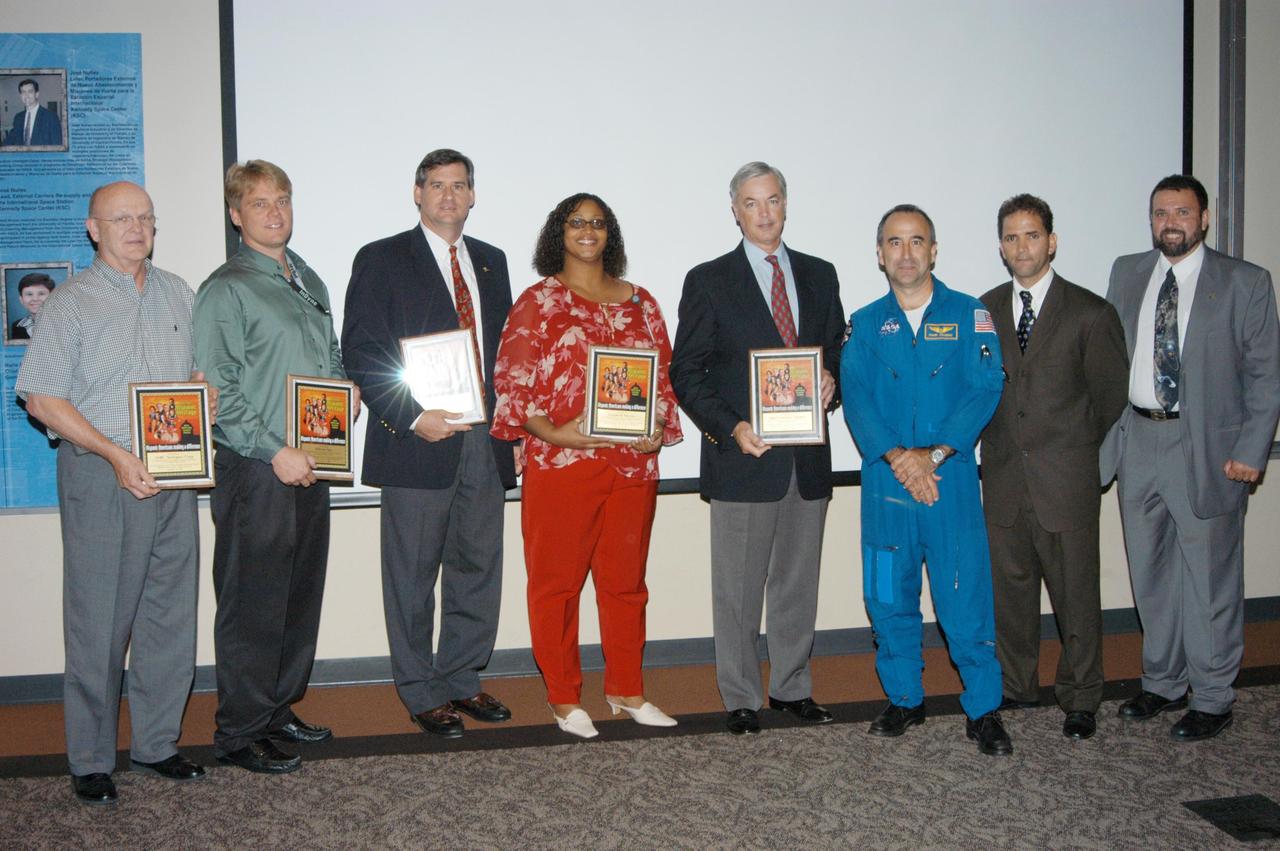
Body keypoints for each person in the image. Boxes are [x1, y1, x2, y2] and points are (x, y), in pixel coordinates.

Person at [15, 181, 210, 805]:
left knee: (169, 617)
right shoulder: (69, 303)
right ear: (93, 229)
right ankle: (92, 759)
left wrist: (201, 394)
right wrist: (115, 454)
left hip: (173, 475)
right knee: (99, 621)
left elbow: (195, 376)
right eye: (121, 218)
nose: (136, 227)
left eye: (145, 217)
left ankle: (156, 744)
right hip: (102, 474)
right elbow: (41, 398)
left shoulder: (179, 292)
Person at [491, 193, 684, 738]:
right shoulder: (538, 302)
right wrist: (554, 432)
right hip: (562, 466)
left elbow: (663, 380)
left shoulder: (642, 302)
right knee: (556, 586)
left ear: (610, 234)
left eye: (598, 222)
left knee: (627, 585)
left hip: (631, 470)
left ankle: (627, 689)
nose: (588, 230)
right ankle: (564, 697)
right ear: (559, 231)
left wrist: (656, 429)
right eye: (577, 221)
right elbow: (511, 383)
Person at [341, 149, 515, 739]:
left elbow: (504, 356)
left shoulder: (491, 261)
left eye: (459, 185)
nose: (448, 195)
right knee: (412, 576)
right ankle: (419, 690)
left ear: (473, 196)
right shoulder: (382, 257)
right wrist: (413, 417)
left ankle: (462, 677)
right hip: (417, 440)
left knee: (477, 566)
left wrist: (513, 429)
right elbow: (362, 351)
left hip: (484, 439)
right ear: (417, 193)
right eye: (436, 185)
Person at [1100, 174, 1280, 741]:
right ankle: (1163, 682)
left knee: (1209, 579)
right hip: (1138, 440)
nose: (1170, 222)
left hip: (1208, 450)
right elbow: (1110, 360)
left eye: (1181, 212)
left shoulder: (1245, 282)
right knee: (1150, 573)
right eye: (1160, 213)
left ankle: (1213, 696)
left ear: (1204, 218)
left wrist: (1252, 450)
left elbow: (1266, 375)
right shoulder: (1127, 272)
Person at [194, 160, 358, 772]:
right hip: (257, 467)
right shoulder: (226, 288)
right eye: (260, 203)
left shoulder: (306, 276)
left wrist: (345, 390)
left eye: (282, 200)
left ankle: (277, 709)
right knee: (252, 602)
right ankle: (239, 731)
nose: (275, 212)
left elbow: (329, 353)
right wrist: (274, 451)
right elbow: (220, 391)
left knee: (297, 594)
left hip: (311, 459)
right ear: (236, 215)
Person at [670, 162, 844, 736]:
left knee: (798, 584)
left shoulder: (820, 274)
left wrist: (832, 380)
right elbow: (686, 372)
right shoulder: (708, 280)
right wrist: (732, 428)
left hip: (806, 462)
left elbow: (837, 353)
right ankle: (741, 696)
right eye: (751, 203)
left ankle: (792, 688)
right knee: (738, 592)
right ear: (735, 211)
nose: (764, 213)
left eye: (772, 200)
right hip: (742, 459)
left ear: (786, 204)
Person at [842, 204, 1012, 755]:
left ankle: (983, 709)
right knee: (888, 596)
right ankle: (905, 699)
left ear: (934, 251)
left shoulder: (970, 314)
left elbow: (986, 388)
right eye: (894, 242)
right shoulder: (865, 324)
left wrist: (932, 456)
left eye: (917, 241)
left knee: (964, 598)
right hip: (886, 484)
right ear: (880, 254)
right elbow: (856, 399)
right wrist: (900, 458)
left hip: (950, 482)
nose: (906, 253)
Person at [978, 194, 1129, 741]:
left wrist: (1068, 449)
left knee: (1077, 599)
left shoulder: (1091, 313)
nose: (1022, 246)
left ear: (1052, 241)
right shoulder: (983, 311)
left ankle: (1081, 697)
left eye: (1032, 235)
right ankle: (1018, 686)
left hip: (1065, 483)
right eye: (1011, 237)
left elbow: (1109, 399)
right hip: (1003, 480)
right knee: (1010, 597)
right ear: (1001, 247)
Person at [4, 78, 62, 146]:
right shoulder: (18, 118)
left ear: (37, 94)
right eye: (23, 92)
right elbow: (9, 140)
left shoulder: (50, 117)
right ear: (20, 96)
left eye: (30, 91)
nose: (26, 96)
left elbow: (57, 145)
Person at [10, 272, 55, 340]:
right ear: (21, 300)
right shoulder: (17, 326)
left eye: (41, 294)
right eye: (29, 294)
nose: (35, 299)